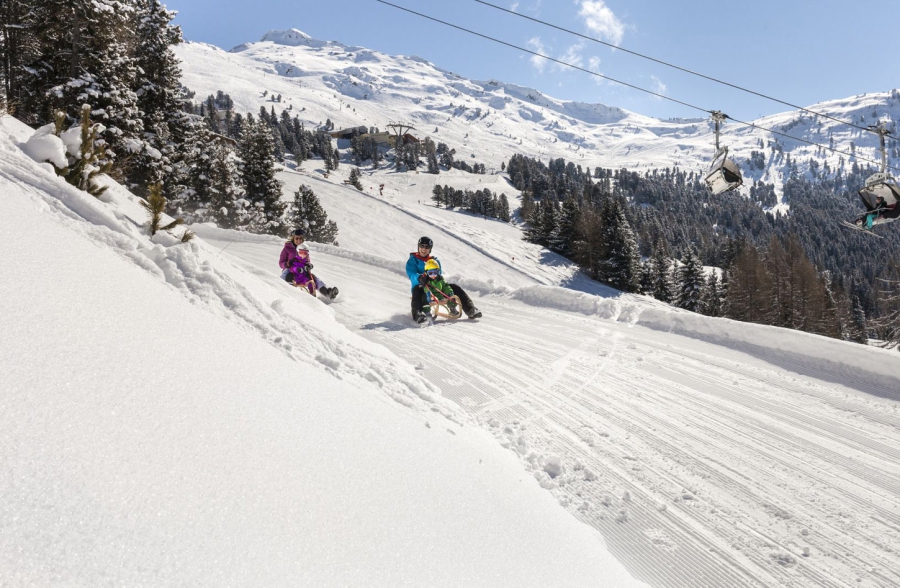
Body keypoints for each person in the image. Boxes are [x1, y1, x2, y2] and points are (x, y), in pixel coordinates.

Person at [406, 236, 481, 323]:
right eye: (422, 246)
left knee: (455, 287)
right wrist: (420, 277)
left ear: (430, 249)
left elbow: (439, 273)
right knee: (417, 292)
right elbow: (411, 274)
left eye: (427, 247)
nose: (424, 249)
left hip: (435, 286)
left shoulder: (434, 260)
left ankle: (471, 310)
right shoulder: (413, 260)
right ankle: (418, 315)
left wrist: (435, 279)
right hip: (421, 286)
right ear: (418, 247)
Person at [279, 228, 338, 299]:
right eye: (296, 238)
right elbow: (281, 263)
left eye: (300, 238)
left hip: (301, 269)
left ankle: (327, 293)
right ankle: (279, 288)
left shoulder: (304, 248)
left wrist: (308, 264)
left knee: (314, 278)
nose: (298, 240)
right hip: (290, 269)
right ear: (293, 238)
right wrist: (287, 264)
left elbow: (306, 259)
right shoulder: (287, 248)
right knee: (286, 275)